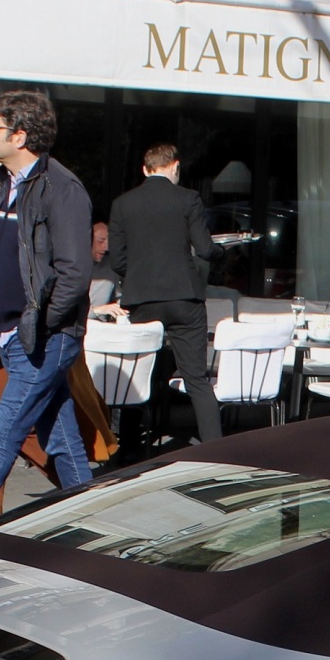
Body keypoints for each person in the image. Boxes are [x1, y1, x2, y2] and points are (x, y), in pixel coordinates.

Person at [0, 89, 94, 538]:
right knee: (63, 444)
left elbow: (73, 274)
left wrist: (40, 324)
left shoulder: (61, 189)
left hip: (45, 337)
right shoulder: (3, 183)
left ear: (21, 135)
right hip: (9, 334)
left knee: (2, 434)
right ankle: (95, 535)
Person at [107, 141, 219, 444]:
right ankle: (215, 449)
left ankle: (129, 444)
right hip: (184, 296)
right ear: (176, 167)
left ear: (145, 169)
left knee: (137, 370)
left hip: (141, 298)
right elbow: (206, 249)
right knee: (196, 379)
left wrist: (139, 276)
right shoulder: (188, 199)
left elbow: (116, 258)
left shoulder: (123, 203)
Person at [88, 220, 117, 310]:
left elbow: (119, 298)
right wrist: (98, 311)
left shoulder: (110, 268)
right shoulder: (74, 268)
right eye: (101, 241)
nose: (106, 248)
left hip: (103, 323)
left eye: (108, 242)